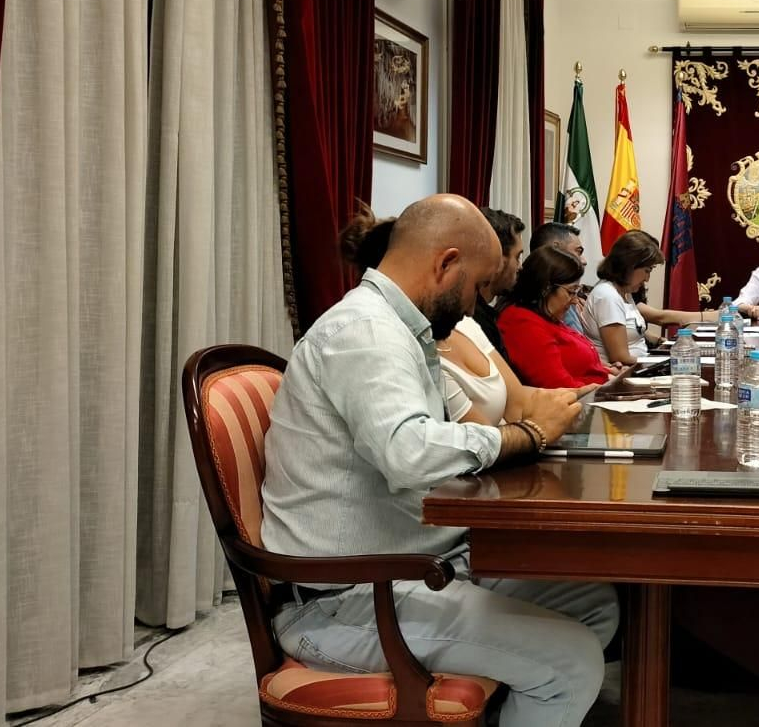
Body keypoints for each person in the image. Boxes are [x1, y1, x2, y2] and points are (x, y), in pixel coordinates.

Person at [261, 196, 617, 727]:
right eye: (476, 287)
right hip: (348, 597)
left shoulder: (405, 331)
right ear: (446, 263)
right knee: (572, 660)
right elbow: (409, 453)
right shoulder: (365, 332)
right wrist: (522, 436)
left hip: (417, 565)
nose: (475, 306)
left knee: (595, 605)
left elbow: (440, 441)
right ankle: (541, 688)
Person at [499, 245, 619, 389]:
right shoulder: (523, 323)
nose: (575, 300)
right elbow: (558, 386)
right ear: (546, 289)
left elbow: (574, 365)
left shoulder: (548, 317)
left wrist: (606, 372)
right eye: (571, 292)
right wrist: (606, 386)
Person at [590, 230, 712, 366]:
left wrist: (660, 342)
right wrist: (665, 361)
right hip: (625, 375)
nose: (647, 279)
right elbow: (621, 358)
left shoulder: (624, 293)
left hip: (640, 366)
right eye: (647, 271)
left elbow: (632, 331)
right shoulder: (607, 296)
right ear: (629, 266)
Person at [473, 208, 525, 371]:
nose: (520, 266)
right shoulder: (472, 322)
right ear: (497, 259)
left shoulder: (486, 315)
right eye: (517, 257)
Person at [531, 221, 596, 336]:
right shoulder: (551, 302)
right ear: (555, 251)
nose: (584, 261)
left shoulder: (564, 298)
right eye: (578, 251)